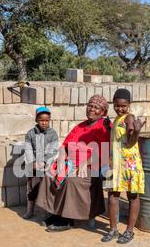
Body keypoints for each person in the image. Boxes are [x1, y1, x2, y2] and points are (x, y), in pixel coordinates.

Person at [36, 95, 111, 232]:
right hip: (70, 162)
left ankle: (68, 219)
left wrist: (83, 164)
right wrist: (60, 161)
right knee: (50, 174)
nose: (91, 109)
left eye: (96, 108)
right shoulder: (80, 126)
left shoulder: (104, 128)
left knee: (71, 180)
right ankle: (56, 213)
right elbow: (64, 146)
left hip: (91, 166)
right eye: (90, 106)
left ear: (103, 112)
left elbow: (103, 153)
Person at [102, 88, 145, 244]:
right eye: (117, 105)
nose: (120, 109)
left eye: (124, 106)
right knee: (112, 195)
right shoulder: (116, 120)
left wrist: (137, 131)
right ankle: (113, 229)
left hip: (129, 163)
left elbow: (131, 141)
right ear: (113, 104)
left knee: (132, 195)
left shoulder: (129, 118)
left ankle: (129, 231)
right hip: (114, 162)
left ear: (129, 105)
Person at [23, 106, 59, 220]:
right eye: (41, 120)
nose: (44, 123)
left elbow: (53, 150)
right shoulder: (30, 134)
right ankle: (30, 210)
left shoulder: (53, 133)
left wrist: (44, 162)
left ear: (49, 120)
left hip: (46, 166)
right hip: (33, 165)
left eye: (46, 120)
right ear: (36, 120)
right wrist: (33, 162)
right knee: (31, 188)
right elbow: (28, 149)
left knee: (46, 189)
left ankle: (47, 212)